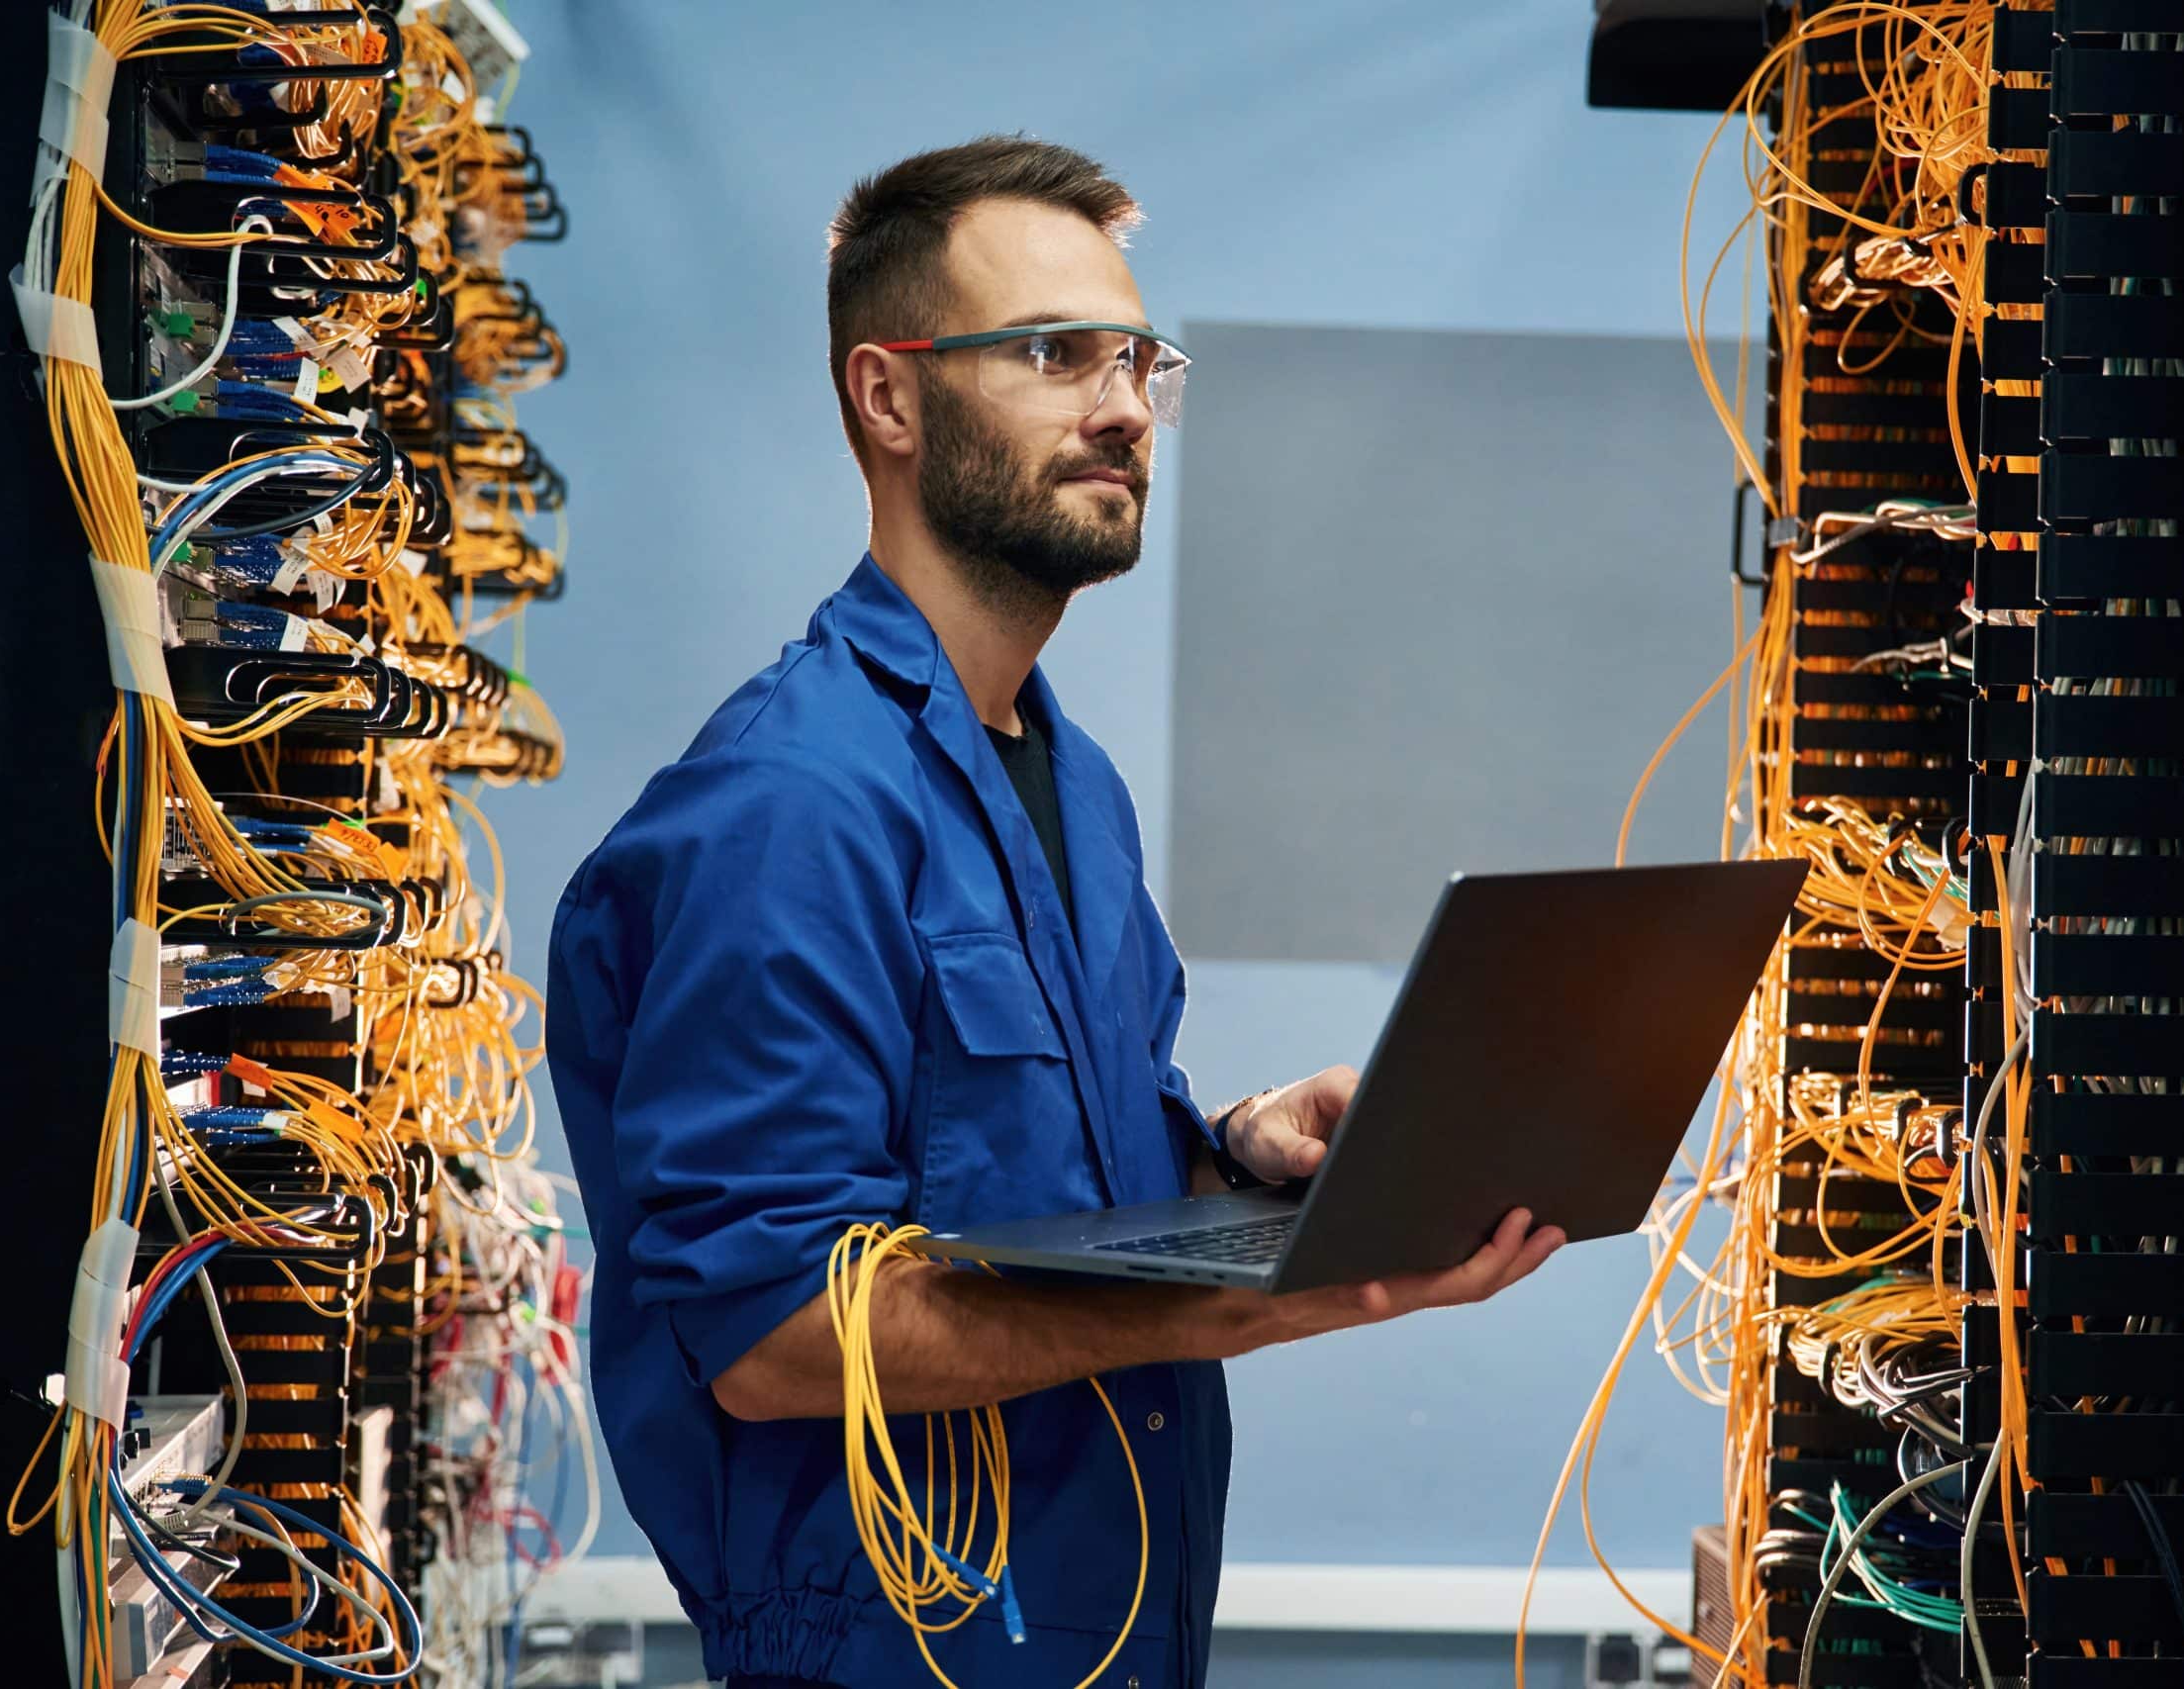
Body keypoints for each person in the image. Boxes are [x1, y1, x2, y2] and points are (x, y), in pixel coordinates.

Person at [545, 137, 1566, 1689]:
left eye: (1138, 357)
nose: (1123, 404)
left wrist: (1242, 1149)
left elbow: (1034, 1187)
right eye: (1051, 354)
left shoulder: (1065, 779)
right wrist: (1229, 1310)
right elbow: (764, 1341)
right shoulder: (788, 807)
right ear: (889, 400)